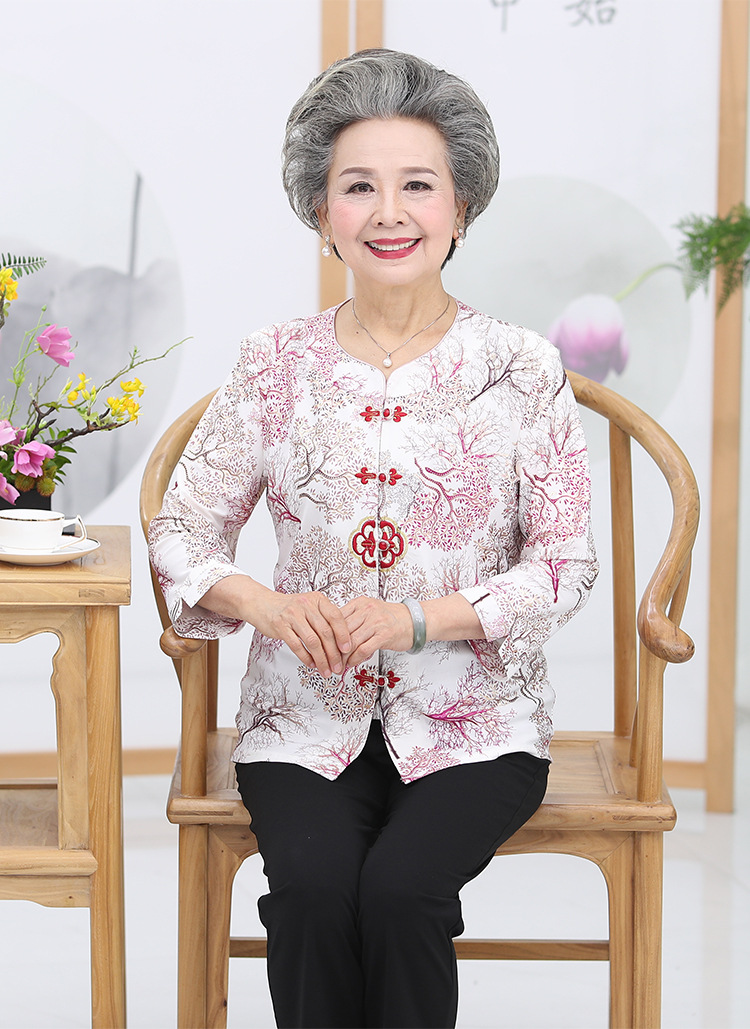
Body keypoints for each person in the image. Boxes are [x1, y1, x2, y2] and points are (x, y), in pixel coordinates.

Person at [149, 48, 598, 1029]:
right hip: (301, 719)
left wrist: (421, 620)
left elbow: (565, 565)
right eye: (358, 186)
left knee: (400, 893)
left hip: (477, 724)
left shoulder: (521, 368)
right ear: (322, 214)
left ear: (462, 206)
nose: (390, 212)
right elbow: (181, 531)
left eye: (418, 186)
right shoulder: (272, 365)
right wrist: (268, 605)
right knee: (313, 892)